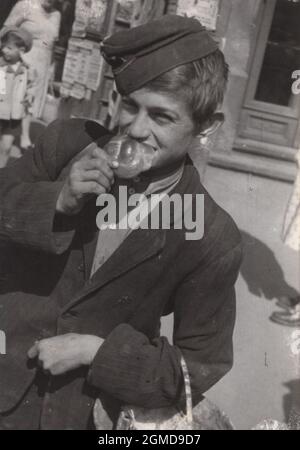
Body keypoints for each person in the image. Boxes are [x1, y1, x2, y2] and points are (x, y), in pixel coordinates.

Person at [0, 15, 242, 430]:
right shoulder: (66, 145)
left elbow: (198, 365)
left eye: (162, 117)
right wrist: (57, 200)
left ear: (205, 128)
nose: (136, 128)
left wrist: (96, 351)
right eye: (130, 105)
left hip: (88, 415)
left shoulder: (211, 235)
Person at [4, 0, 61, 150]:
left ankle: (24, 136)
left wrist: (51, 68)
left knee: (30, 100)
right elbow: (6, 29)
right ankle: (10, 136)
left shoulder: (56, 15)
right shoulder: (25, 5)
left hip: (43, 63)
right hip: (23, 59)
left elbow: (51, 43)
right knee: (13, 99)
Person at [0, 26, 36, 168]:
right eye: (4, 47)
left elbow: (32, 86)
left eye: (9, 48)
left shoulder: (26, 70)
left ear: (21, 51)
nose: (4, 51)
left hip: (13, 116)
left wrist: (30, 95)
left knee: (7, 147)